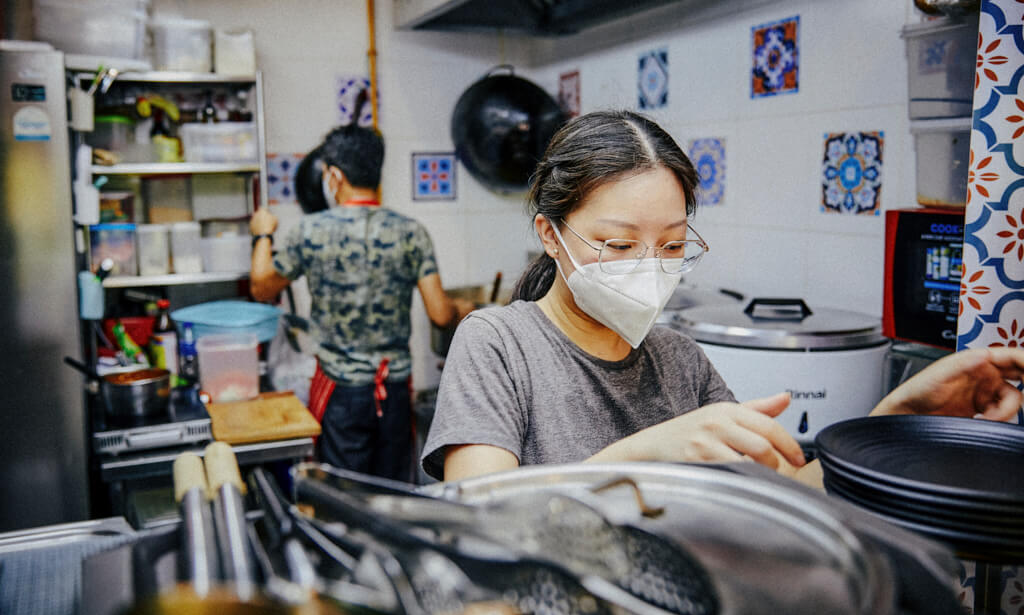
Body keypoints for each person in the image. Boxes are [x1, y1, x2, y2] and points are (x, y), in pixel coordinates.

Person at [421, 110, 1024, 484]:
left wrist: (903, 420)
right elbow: (479, 520)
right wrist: (647, 454)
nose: (648, 267)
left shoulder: (682, 362)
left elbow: (786, 490)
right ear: (550, 235)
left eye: (672, 245)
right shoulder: (499, 343)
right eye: (618, 244)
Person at [250, 97, 474, 480]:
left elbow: (261, 287)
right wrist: (462, 308)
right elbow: (440, 314)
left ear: (333, 176)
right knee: (392, 495)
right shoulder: (410, 231)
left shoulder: (310, 231)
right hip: (395, 390)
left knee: (347, 495)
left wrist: (263, 235)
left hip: (341, 392)